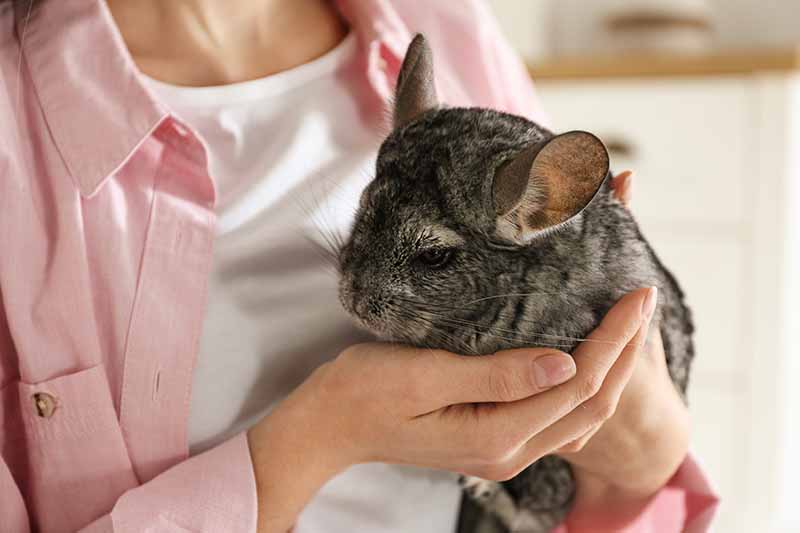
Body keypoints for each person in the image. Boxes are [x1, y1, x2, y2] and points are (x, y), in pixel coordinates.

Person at [0, 1, 717, 532]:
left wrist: (644, 440)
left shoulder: (449, 27)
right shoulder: (16, 120)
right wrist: (323, 432)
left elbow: (621, 483)